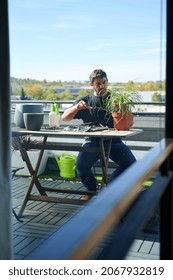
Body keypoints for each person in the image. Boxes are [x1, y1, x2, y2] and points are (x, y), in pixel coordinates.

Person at [61, 69, 136, 199]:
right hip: (92, 141)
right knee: (81, 167)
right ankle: (91, 190)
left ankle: (110, 188)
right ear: (92, 84)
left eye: (104, 82)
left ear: (107, 82)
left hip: (113, 141)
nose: (101, 86)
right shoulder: (85, 100)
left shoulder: (115, 99)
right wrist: (76, 107)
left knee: (131, 165)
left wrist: (122, 107)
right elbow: (64, 118)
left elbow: (131, 122)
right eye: (97, 84)